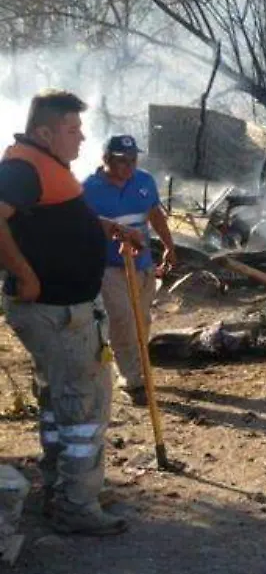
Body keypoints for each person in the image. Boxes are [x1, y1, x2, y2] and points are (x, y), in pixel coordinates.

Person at [0, 89, 141, 535]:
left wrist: (107, 227)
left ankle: (63, 487)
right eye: (72, 129)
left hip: (68, 310)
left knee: (61, 399)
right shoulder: (22, 168)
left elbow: (55, 219)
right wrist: (25, 275)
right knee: (84, 405)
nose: (82, 138)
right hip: (55, 310)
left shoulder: (46, 167)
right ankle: (76, 505)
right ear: (45, 132)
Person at [83, 135, 177, 406]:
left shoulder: (144, 181)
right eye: (123, 160)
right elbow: (81, 226)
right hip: (108, 267)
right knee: (122, 319)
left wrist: (169, 245)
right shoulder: (88, 189)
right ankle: (132, 379)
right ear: (107, 159)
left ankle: (138, 366)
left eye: (133, 160)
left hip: (142, 265)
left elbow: (154, 214)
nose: (129, 166)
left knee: (142, 320)